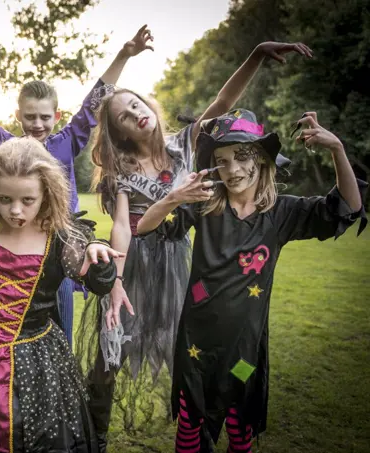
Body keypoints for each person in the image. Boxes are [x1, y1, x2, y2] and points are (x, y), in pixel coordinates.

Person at [78, 40, 313, 451]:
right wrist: (115, 282)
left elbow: (223, 100)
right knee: (111, 351)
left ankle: (200, 431)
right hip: (131, 263)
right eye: (124, 117)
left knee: (187, 351)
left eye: (137, 105)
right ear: (119, 133)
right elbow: (121, 226)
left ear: (149, 106)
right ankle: (93, 435)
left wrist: (255, 53)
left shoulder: (185, 143)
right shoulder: (122, 169)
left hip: (177, 262)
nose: (136, 115)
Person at [136, 109, 366, 452]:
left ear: (261, 160)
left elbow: (346, 208)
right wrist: (173, 198)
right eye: (222, 161)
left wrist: (337, 149)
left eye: (242, 157)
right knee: (189, 425)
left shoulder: (281, 213)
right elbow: (145, 229)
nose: (233, 169)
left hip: (244, 349)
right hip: (195, 346)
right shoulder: (204, 206)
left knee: (240, 425)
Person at [0, 24, 155, 346]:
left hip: (60, 247)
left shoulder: (66, 142)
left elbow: (95, 101)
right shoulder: (4, 145)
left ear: (56, 116)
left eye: (45, 117)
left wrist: (124, 54)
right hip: (15, 249)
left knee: (59, 328)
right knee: (12, 325)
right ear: (18, 115)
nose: (37, 124)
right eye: (30, 116)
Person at [0, 138, 123, 452]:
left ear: (46, 193)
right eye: (5, 199)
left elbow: (99, 283)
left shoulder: (61, 237)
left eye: (27, 200)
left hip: (36, 357)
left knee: (32, 433)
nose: (15, 210)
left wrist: (97, 256)